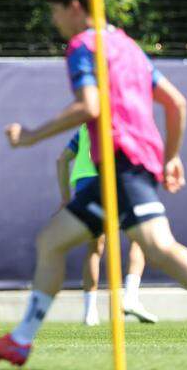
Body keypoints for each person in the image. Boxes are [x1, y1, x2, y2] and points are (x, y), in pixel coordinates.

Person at [0, 0, 187, 369]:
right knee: (52, 241)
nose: (54, 20)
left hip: (123, 160)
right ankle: (22, 340)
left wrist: (30, 136)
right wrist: (170, 155)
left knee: (158, 248)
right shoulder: (127, 46)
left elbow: (89, 106)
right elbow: (177, 103)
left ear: (75, 7)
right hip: (123, 163)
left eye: (55, 12)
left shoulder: (82, 46)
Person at [57, 125, 157, 325]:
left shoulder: (85, 127)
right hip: (114, 180)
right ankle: (130, 297)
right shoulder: (123, 122)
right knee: (138, 239)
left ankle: (90, 313)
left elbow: (62, 159)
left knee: (95, 247)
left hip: (86, 186)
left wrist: (66, 199)